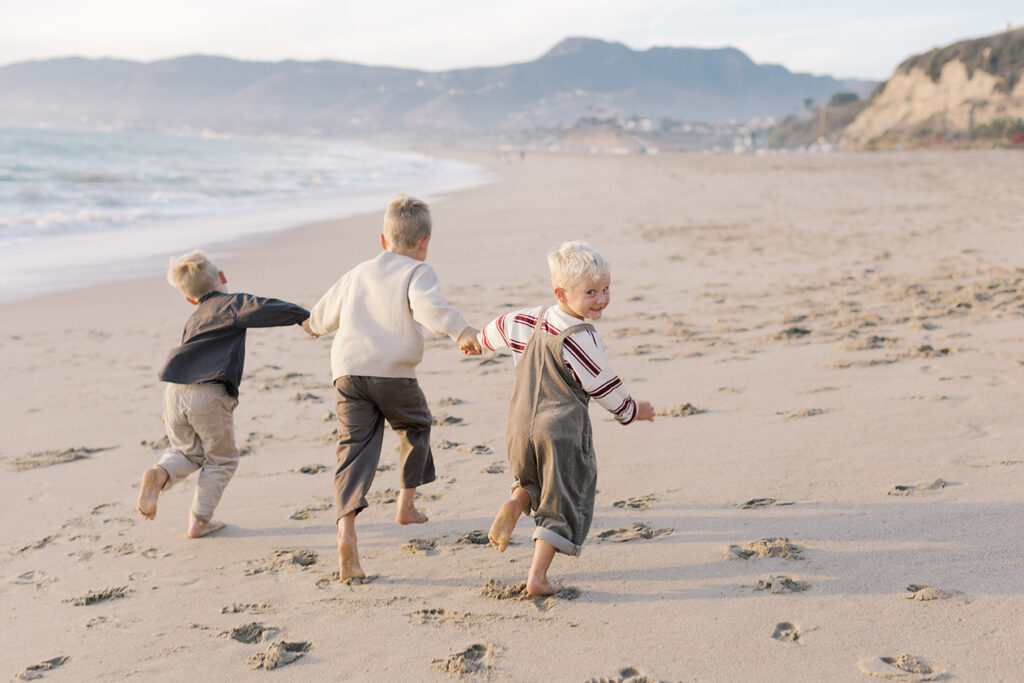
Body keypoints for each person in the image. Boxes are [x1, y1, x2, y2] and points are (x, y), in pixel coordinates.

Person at [304, 195, 481, 581]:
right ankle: (406, 505)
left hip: (348, 374)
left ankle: (346, 532)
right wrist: (461, 331)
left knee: (353, 450)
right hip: (395, 374)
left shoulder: (357, 273)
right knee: (416, 427)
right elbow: (430, 309)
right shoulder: (418, 272)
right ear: (425, 241)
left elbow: (322, 315)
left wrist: (313, 326)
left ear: (383, 240)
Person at [480, 240, 654, 595]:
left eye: (606, 289)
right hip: (559, 428)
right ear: (561, 293)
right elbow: (604, 385)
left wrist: (475, 342)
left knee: (530, 479)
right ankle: (538, 577)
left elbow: (497, 327)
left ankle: (516, 502)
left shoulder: (528, 319)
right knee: (563, 495)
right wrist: (633, 411)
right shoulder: (581, 337)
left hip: (519, 423)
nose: (602, 298)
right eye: (590, 292)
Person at [136, 249, 310, 537]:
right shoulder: (230, 304)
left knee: (188, 453)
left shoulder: (193, 319)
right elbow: (262, 308)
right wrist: (302, 316)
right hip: (208, 393)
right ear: (223, 277)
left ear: (189, 298)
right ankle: (199, 520)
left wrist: (168, 413)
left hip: (174, 393)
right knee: (222, 459)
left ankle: (159, 475)